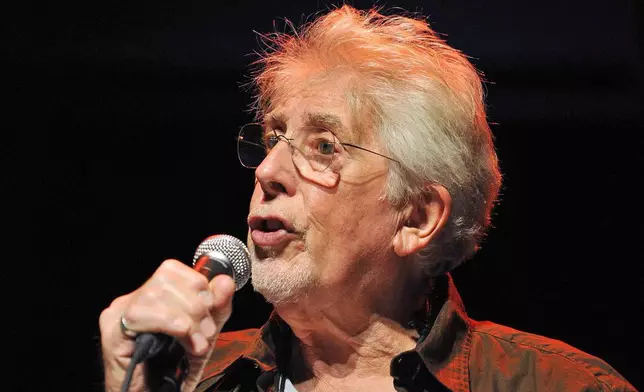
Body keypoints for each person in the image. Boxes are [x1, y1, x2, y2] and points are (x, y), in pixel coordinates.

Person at [99, 5, 636, 392]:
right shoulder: (193, 377)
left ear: (417, 217)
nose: (267, 171)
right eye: (272, 138)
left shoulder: (558, 385)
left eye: (324, 146)